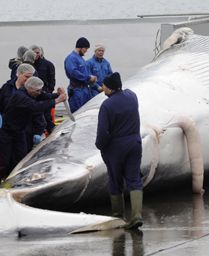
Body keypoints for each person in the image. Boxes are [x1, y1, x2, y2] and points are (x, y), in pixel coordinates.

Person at [95, 72, 143, 229]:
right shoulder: (132, 96)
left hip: (116, 148)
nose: (102, 88)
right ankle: (136, 216)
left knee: (115, 180)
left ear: (109, 88)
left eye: (104, 86)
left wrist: (100, 146)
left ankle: (118, 215)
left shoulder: (107, 106)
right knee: (134, 179)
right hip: (135, 143)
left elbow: (103, 132)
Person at [0, 77, 66, 183]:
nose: (39, 93)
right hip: (7, 132)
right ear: (29, 88)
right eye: (37, 91)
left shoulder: (32, 93)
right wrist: (57, 101)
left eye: (40, 90)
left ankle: (17, 179)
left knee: (22, 156)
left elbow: (43, 96)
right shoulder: (20, 96)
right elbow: (36, 107)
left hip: (19, 131)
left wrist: (57, 95)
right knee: (5, 159)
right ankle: (1, 180)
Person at [64, 37, 97, 113]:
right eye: (85, 49)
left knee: (85, 112)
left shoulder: (81, 59)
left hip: (85, 90)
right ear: (81, 47)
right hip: (77, 91)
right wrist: (88, 77)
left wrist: (91, 79)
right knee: (78, 113)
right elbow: (73, 72)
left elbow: (85, 73)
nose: (86, 51)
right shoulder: (71, 58)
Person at [31, 45, 57, 134]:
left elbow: (52, 80)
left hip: (45, 94)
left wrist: (48, 91)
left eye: (37, 52)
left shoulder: (48, 64)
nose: (36, 55)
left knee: (47, 117)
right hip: (33, 95)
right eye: (33, 53)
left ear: (41, 53)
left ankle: (50, 134)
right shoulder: (29, 66)